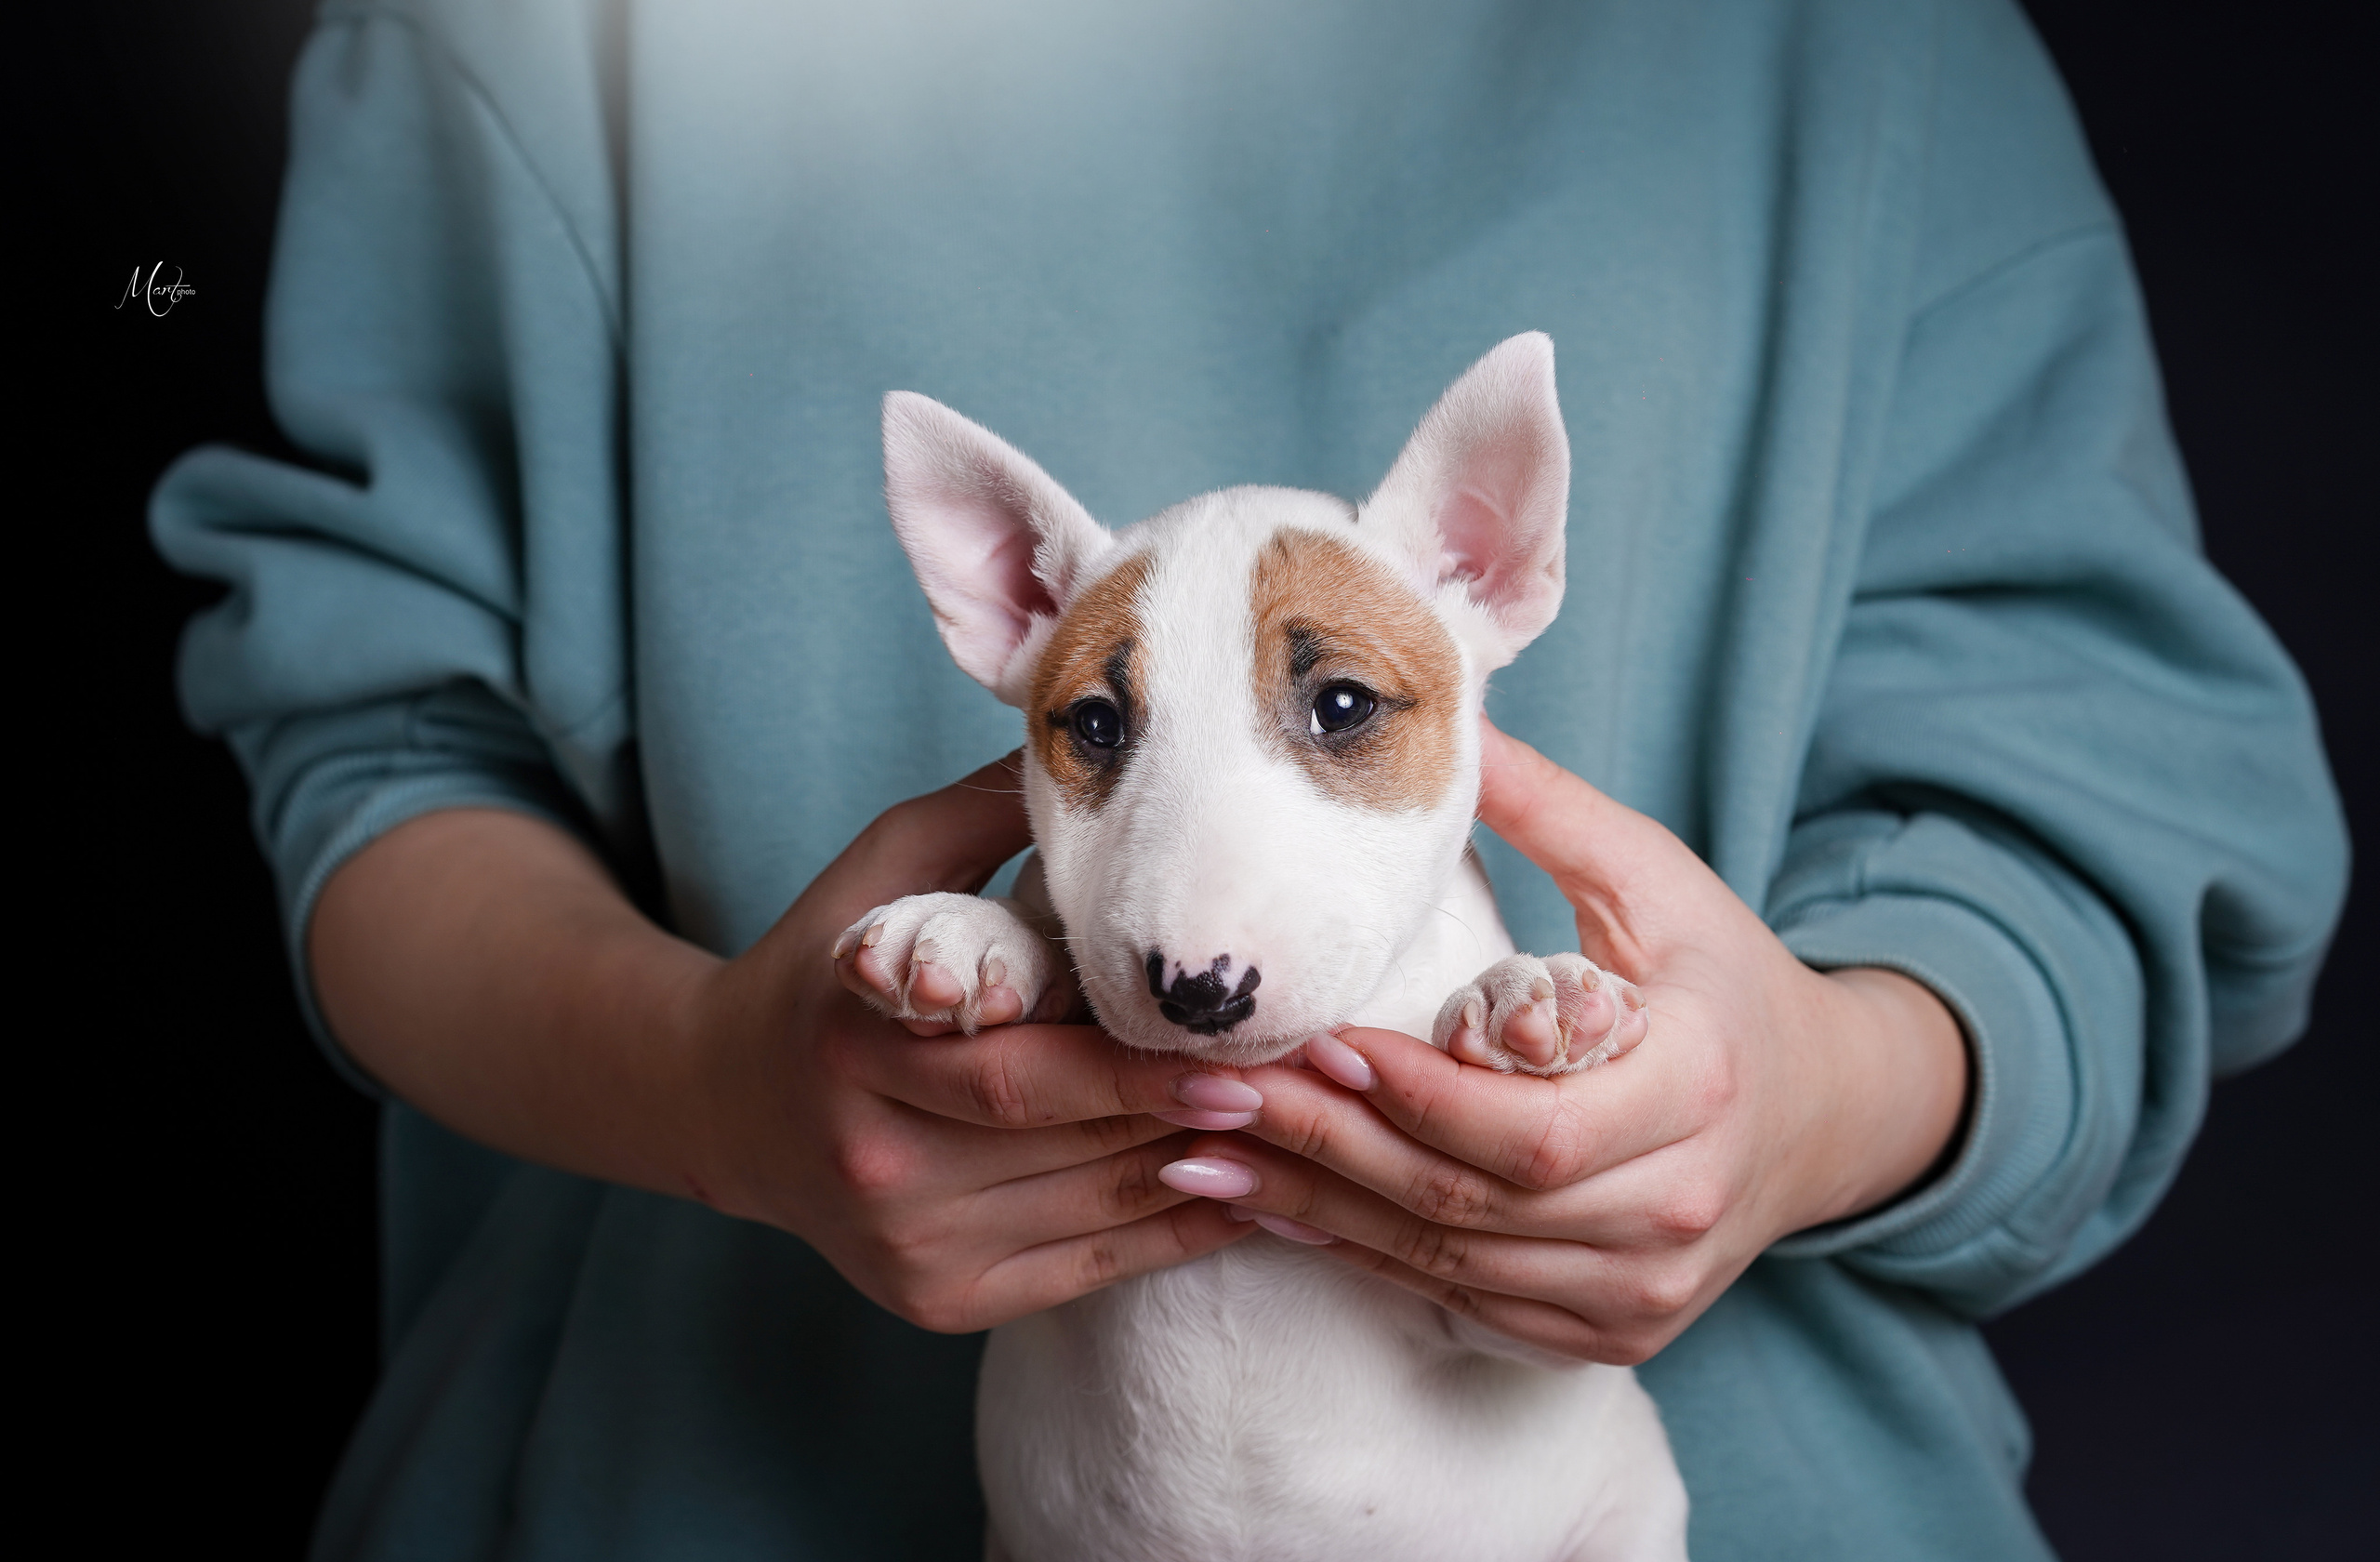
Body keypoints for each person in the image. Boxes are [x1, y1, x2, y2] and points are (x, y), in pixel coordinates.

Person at [152, 2, 2347, 1557]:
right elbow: (374, 736)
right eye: (1095, 731)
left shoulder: (1874, 60)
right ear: (1002, 616)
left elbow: (2099, 823)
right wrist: (715, 1087)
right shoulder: (547, 41)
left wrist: (1808, 1095)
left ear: (1497, 560)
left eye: (1329, 719)